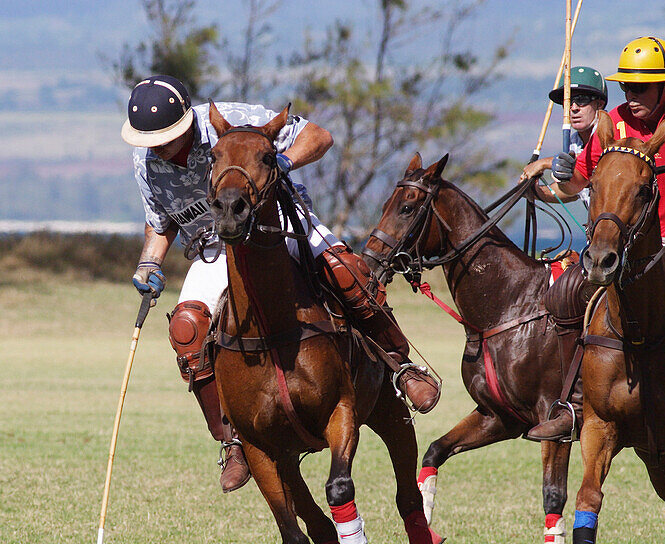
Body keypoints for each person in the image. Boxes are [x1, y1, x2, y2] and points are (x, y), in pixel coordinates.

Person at [121, 74, 440, 493]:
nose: (161, 146)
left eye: (169, 136)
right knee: (187, 329)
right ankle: (233, 440)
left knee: (348, 272)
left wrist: (284, 160)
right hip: (214, 251)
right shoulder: (146, 161)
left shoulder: (233, 118)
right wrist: (149, 263)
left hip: (279, 225)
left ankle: (402, 366)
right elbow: (159, 222)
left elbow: (319, 137)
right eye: (153, 140)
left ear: (187, 119)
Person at [527, 36, 665, 442]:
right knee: (572, 304)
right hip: (634, 246)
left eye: (640, 87)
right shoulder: (615, 120)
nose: (631, 96)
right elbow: (579, 184)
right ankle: (573, 403)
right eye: (626, 87)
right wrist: (564, 173)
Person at [521, 65, 609, 207]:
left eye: (582, 100)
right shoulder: (574, 143)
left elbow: (589, 171)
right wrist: (535, 191)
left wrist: (544, 163)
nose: (573, 108)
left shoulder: (611, 132)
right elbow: (572, 189)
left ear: (599, 104)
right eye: (568, 101)